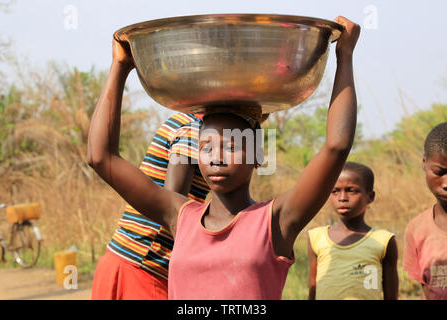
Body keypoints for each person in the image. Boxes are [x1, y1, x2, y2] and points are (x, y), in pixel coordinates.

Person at [87, 16, 360, 299]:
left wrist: (345, 57)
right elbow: (101, 158)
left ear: (258, 154)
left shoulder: (276, 221)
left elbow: (336, 147)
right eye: (205, 147)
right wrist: (119, 67)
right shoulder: (180, 217)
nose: (215, 158)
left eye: (231, 146)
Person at [91, 112, 210, 300]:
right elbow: (171, 207)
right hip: (144, 268)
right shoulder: (195, 129)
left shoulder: (189, 121)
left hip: (125, 261)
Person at [307, 161, 399, 300]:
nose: (342, 198)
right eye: (335, 191)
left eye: (351, 190)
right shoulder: (316, 237)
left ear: (370, 196)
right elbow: (313, 290)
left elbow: (391, 295)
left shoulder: (384, 241)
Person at [403, 122, 447, 300]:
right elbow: (427, 289)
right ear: (424, 163)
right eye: (439, 172)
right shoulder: (417, 229)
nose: (446, 184)